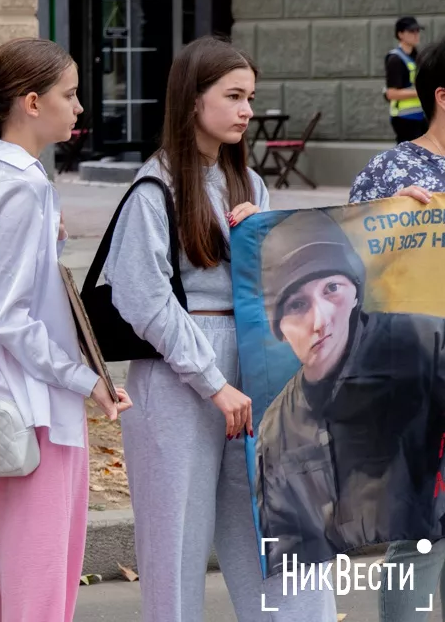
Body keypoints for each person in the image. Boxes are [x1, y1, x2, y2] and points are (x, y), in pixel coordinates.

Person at [103, 35, 336, 620]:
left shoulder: (249, 185)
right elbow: (144, 299)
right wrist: (212, 381)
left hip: (254, 362)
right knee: (175, 540)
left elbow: (291, 279)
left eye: (250, 97)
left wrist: (268, 233)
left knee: (275, 521)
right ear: (191, 101)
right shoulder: (153, 189)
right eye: (233, 96)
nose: (246, 111)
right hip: (178, 372)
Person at [0, 38, 131, 622]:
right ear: (30, 102)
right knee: (40, 597)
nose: (78, 107)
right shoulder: (23, 185)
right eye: (69, 94)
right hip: (36, 411)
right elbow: (12, 317)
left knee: (7, 590)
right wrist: (85, 380)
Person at [255, 210, 445, 565]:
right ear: (279, 327)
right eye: (297, 304)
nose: (320, 319)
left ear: (356, 292)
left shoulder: (427, 344)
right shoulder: (277, 431)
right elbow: (289, 551)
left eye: (332, 289)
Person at [351, 37, 445, 620]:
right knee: (421, 531)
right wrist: (391, 221)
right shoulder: (394, 170)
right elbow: (346, 268)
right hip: (419, 377)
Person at [385, 16, 427, 144]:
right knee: (408, 160)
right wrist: (421, 91)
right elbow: (391, 93)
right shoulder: (395, 59)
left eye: (417, 31)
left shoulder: (417, 56)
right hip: (404, 119)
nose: (416, 35)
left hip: (420, 117)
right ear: (400, 34)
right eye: (411, 31)